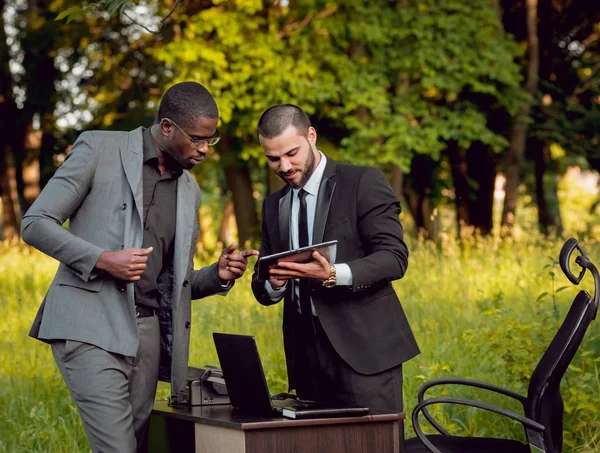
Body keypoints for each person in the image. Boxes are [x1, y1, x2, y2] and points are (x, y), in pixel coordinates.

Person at [22, 81, 258, 453]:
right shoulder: (99, 148)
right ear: (167, 127)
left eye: (209, 140)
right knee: (118, 449)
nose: (203, 150)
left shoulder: (189, 190)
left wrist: (218, 274)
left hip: (147, 335)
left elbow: (174, 285)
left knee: (138, 445)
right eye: (197, 138)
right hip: (89, 326)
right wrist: (102, 260)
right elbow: (35, 224)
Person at [251, 104, 419, 417]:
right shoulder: (273, 206)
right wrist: (273, 283)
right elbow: (263, 284)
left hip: (365, 353)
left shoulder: (362, 183)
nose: (284, 166)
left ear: (311, 136)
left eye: (291, 153)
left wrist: (333, 274)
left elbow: (394, 257)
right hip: (306, 361)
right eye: (273, 158)